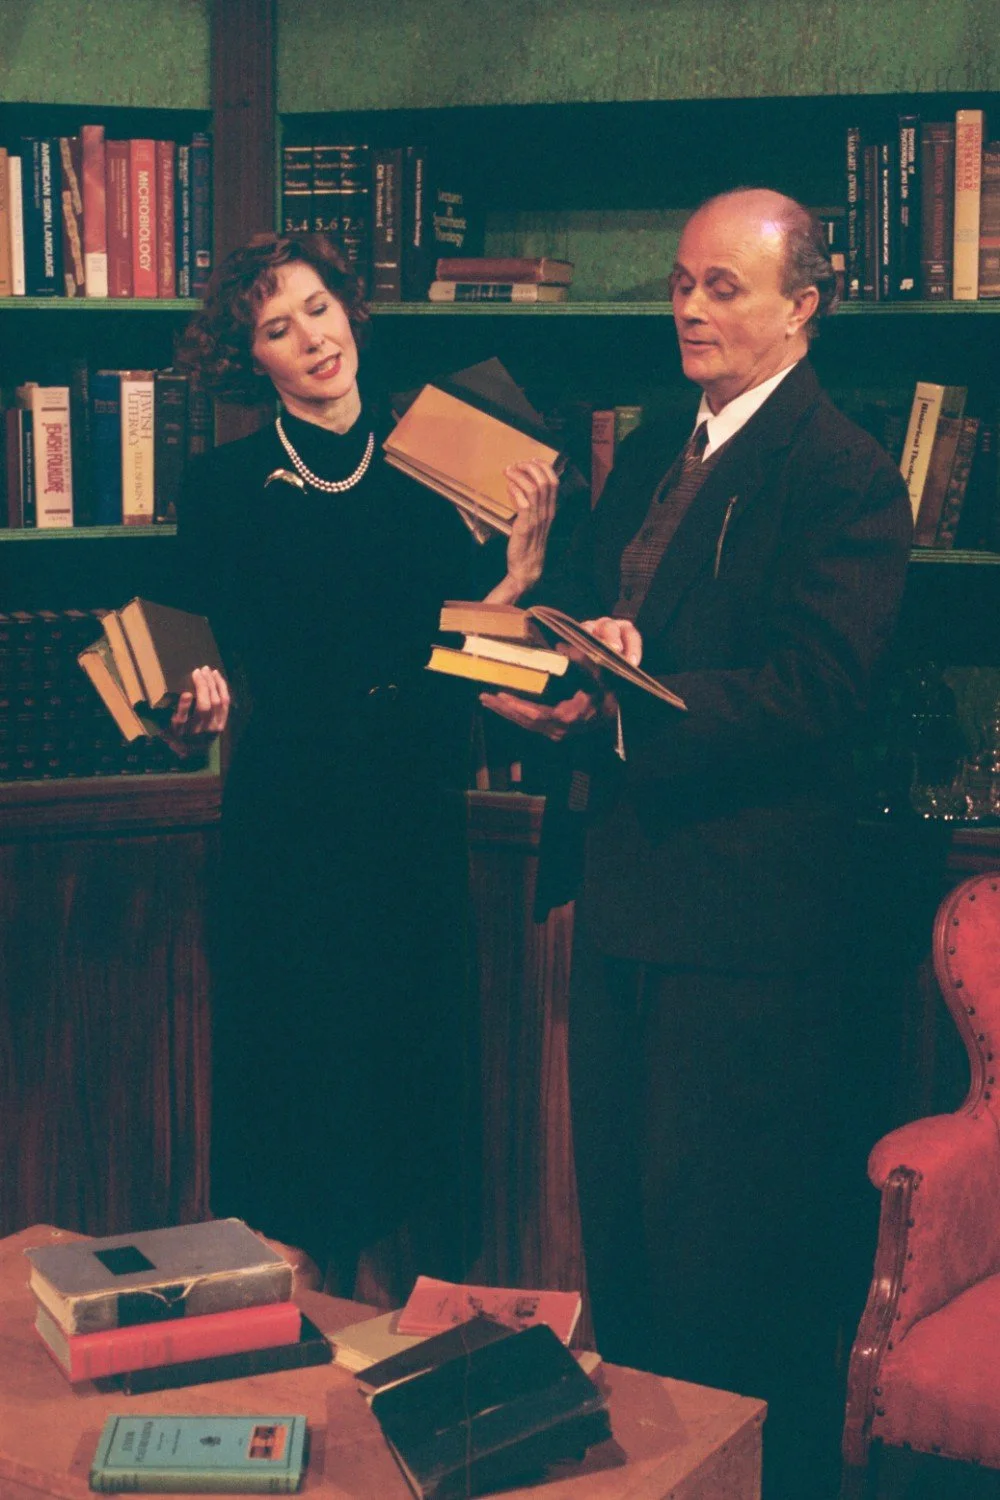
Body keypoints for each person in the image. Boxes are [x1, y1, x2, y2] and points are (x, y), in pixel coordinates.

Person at [481, 188, 913, 1497]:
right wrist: (569, 665)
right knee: (626, 1252)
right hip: (623, 899)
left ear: (803, 305)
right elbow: (615, 621)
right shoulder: (658, 444)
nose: (689, 307)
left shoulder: (844, 471)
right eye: (680, 282)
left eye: (723, 286)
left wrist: (631, 699)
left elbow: (817, 686)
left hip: (745, 929)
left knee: (726, 1269)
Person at [170, 231, 559, 1296]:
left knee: (402, 1077)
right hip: (287, 821)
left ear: (349, 309)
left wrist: (517, 578)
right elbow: (187, 668)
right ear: (252, 358)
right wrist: (189, 702)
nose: (311, 338)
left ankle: (397, 1327)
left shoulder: (442, 460)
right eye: (277, 326)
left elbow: (462, 666)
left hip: (410, 814)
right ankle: (293, 1314)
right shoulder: (220, 485)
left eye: (319, 307)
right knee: (295, 1078)